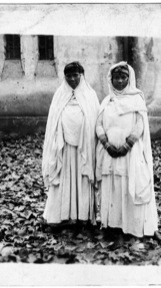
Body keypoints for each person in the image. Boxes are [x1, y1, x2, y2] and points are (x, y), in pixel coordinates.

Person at [95, 61, 161, 242]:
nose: (119, 81)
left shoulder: (136, 99)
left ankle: (131, 226)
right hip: (110, 153)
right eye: (116, 77)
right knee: (113, 187)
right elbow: (99, 124)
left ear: (129, 78)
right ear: (111, 79)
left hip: (129, 153)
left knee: (129, 186)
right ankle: (113, 225)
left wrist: (128, 144)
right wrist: (106, 143)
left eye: (123, 77)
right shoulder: (107, 101)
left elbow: (140, 125)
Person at [42, 62, 99, 230]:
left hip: (84, 149)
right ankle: (63, 215)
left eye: (76, 75)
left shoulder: (90, 95)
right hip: (64, 149)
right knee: (64, 178)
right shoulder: (59, 95)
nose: (73, 79)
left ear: (82, 76)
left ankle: (82, 216)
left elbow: (94, 120)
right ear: (65, 77)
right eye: (69, 76)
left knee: (82, 178)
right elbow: (52, 124)